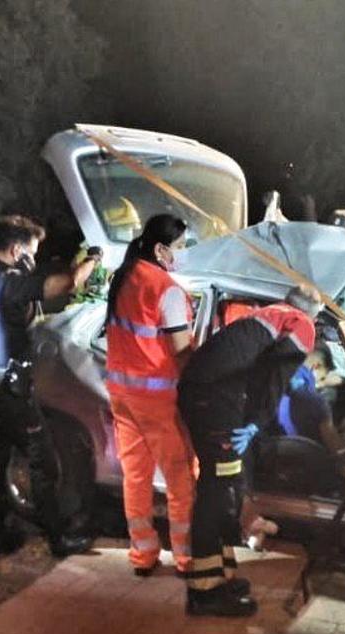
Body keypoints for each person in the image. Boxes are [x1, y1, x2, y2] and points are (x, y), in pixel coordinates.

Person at [0, 214, 102, 558]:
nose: (34, 259)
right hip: (10, 391)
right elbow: (66, 285)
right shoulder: (10, 282)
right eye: (32, 251)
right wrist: (93, 260)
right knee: (43, 461)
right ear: (15, 248)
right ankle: (59, 539)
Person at [178, 286, 320, 616]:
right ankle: (204, 592)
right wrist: (257, 421)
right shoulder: (302, 324)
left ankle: (219, 575)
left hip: (205, 395)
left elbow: (256, 372)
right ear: (313, 313)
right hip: (215, 401)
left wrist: (252, 417)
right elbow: (275, 379)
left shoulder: (268, 315)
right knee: (219, 492)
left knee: (220, 487)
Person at [104, 214, 198, 576]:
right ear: (161, 249)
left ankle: (143, 554)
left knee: (136, 476)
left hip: (122, 394)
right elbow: (181, 350)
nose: (183, 253)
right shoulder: (166, 289)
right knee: (179, 478)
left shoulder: (124, 276)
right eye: (180, 247)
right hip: (157, 399)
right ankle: (187, 558)